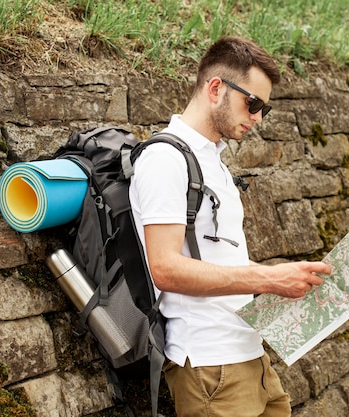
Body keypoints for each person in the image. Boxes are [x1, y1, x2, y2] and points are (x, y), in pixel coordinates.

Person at [129, 36, 332, 417]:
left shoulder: (213, 161)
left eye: (264, 109)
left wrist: (286, 280)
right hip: (210, 367)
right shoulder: (163, 160)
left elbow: (221, 261)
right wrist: (269, 281)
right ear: (216, 88)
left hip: (250, 356)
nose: (257, 117)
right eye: (252, 103)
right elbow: (165, 268)